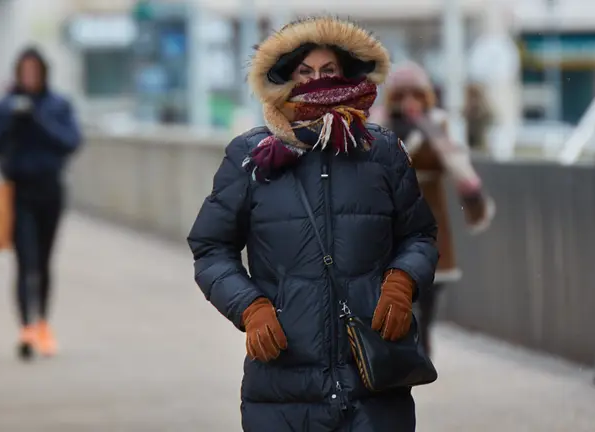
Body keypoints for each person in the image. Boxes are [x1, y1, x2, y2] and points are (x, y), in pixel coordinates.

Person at [187, 17, 438, 431]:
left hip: (373, 382)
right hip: (282, 387)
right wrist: (251, 308)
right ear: (284, 79)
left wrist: (401, 280)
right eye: (304, 72)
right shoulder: (250, 156)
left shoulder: (382, 152)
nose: (316, 82)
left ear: (349, 75)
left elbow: (420, 235)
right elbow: (211, 248)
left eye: (328, 72)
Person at [370, 61, 495, 356]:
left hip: (430, 211)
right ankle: (403, 338)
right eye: (402, 94)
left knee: (430, 282)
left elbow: (458, 169)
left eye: (416, 93)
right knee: (397, 279)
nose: (409, 101)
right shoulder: (380, 125)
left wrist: (474, 199)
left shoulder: (436, 124)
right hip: (393, 214)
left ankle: (422, 338)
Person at [0, 46, 81, 360]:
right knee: (26, 261)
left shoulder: (58, 105)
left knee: (45, 262)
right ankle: (25, 327)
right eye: (24, 72)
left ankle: (42, 324)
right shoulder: (5, 106)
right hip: (18, 190)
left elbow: (71, 142)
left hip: (49, 189)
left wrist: (37, 120)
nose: (29, 77)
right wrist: (12, 121)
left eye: (34, 72)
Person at [463, 82, 493, 151]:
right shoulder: (467, 112)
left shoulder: (485, 112)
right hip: (469, 147)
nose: (474, 100)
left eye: (475, 96)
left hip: (482, 148)